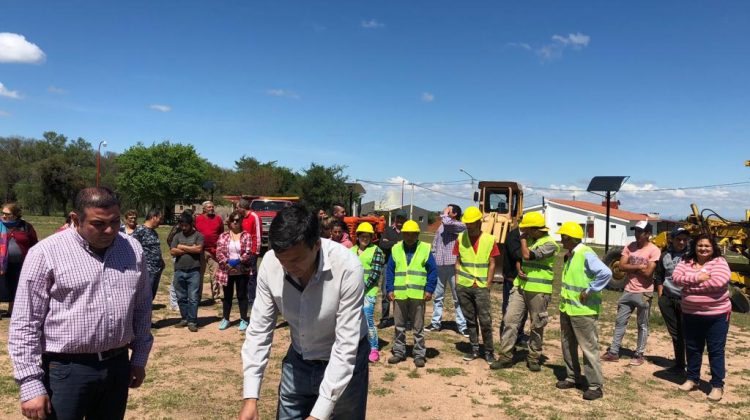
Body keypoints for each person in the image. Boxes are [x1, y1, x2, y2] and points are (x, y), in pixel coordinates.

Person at [8, 187, 153, 419]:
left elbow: (142, 307)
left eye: (115, 221)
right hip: (66, 371)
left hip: (117, 365)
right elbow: (25, 322)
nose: (109, 230)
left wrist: (138, 358)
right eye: (98, 223)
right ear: (76, 219)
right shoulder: (46, 253)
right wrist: (30, 383)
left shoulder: (132, 249)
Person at [239, 206, 368, 420]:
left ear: (316, 244)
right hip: (299, 358)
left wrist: (319, 415)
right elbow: (259, 332)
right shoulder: (271, 264)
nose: (289, 268)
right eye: (283, 261)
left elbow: (346, 345)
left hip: (346, 360)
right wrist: (250, 397)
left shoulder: (347, 268)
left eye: (297, 260)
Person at [493, 211, 559, 371]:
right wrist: (518, 267)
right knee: (510, 320)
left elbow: (527, 255)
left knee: (537, 325)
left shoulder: (550, 243)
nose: (524, 232)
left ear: (536, 229)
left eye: (527, 229)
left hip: (538, 290)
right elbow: (520, 259)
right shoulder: (529, 239)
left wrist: (522, 240)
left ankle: (534, 357)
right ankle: (505, 356)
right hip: (520, 287)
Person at [553, 222, 611, 401]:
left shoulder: (585, 253)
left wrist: (589, 291)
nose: (561, 240)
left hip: (583, 311)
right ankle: (572, 377)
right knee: (568, 345)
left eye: (563, 237)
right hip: (568, 309)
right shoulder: (572, 254)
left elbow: (606, 273)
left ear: (569, 238)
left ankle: (595, 386)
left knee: (588, 348)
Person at [673, 233, 731, 402]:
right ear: (694, 246)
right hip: (691, 314)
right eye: (700, 245)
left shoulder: (720, 262)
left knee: (716, 351)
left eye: (707, 246)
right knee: (693, 348)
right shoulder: (686, 261)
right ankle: (692, 379)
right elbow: (676, 279)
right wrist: (697, 277)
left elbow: (718, 282)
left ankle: (717, 385)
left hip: (717, 315)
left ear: (713, 248)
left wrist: (688, 287)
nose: (703, 249)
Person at [601, 221, 661, 366]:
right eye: (636, 231)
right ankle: (614, 352)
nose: (637, 234)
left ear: (648, 234)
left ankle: (639, 354)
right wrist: (638, 266)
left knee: (642, 324)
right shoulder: (630, 247)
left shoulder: (654, 250)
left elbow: (648, 273)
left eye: (640, 232)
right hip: (628, 290)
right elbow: (621, 266)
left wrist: (630, 268)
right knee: (620, 321)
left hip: (644, 293)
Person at [386, 220, 437, 368]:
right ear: (403, 234)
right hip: (399, 293)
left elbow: (432, 270)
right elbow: (390, 271)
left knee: (418, 327)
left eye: (412, 234)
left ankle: (419, 354)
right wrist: (390, 289)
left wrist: (429, 289)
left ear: (417, 234)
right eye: (406, 234)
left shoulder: (425, 249)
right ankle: (399, 352)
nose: (409, 236)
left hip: (418, 294)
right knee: (399, 326)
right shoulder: (396, 249)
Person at [454, 207, 500, 365]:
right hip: (464, 285)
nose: (468, 226)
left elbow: (493, 263)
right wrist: (457, 279)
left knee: (485, 320)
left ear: (479, 222)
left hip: (481, 286)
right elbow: (458, 260)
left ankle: (488, 352)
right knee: (470, 320)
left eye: (471, 223)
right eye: (466, 223)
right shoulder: (460, 238)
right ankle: (474, 349)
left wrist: (488, 283)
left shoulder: (489, 239)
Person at [426, 204, 469, 337]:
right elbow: (435, 243)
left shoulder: (460, 225)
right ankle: (435, 323)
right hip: (439, 265)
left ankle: (462, 326)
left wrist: (444, 214)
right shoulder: (441, 226)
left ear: (454, 213)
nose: (445, 210)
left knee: (457, 297)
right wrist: (433, 257)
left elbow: (448, 224)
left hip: (453, 265)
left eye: (449, 209)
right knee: (438, 296)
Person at [654, 227, 690, 375]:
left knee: (686, 334)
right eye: (678, 239)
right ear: (672, 240)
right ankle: (680, 364)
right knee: (675, 333)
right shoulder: (664, 256)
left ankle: (692, 366)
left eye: (684, 239)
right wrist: (661, 297)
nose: (681, 242)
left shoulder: (691, 257)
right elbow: (659, 276)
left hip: (685, 300)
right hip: (668, 299)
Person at [352, 222, 386, 363]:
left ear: (372, 237)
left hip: (368, 292)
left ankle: (373, 348)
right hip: (352, 292)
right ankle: (356, 346)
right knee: (352, 320)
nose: (365, 239)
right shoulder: (351, 250)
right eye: (362, 236)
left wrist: (362, 288)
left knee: (367, 319)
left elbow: (375, 273)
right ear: (358, 236)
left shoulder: (376, 251)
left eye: (368, 236)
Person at [215, 210, 253, 332]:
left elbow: (248, 253)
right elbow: (219, 251)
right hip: (227, 271)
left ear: (242, 221)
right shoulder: (224, 236)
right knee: (227, 296)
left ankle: (243, 319)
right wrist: (226, 264)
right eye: (233, 220)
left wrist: (237, 262)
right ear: (229, 222)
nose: (235, 222)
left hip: (242, 270)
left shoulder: (246, 235)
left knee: (242, 295)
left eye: (238, 220)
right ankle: (226, 318)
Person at [1, 202, 38, 317]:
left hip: (20, 263)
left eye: (7, 213)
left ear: (16, 214)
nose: (3, 215)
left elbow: (34, 244)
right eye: (2, 213)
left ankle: (11, 311)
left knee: (15, 286)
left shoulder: (26, 226)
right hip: (1, 264)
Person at [170, 212, 204, 332]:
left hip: (194, 271)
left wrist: (182, 247)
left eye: (185, 225)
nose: (183, 228)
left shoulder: (198, 235)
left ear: (191, 224)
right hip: (179, 270)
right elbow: (172, 251)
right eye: (181, 225)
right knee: (181, 297)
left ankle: (192, 321)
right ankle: (184, 318)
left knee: (193, 297)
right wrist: (190, 248)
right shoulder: (177, 236)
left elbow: (198, 249)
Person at [500, 223, 529, 349]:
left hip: (524, 279)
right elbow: (518, 255)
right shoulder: (513, 236)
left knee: (523, 310)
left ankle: (519, 335)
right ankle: (505, 335)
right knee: (509, 309)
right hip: (512, 278)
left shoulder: (527, 237)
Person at [378, 209, 407, 328]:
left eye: (402, 218)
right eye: (398, 218)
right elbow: (382, 244)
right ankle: (385, 319)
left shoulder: (407, 231)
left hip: (403, 266)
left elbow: (408, 244)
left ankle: (403, 319)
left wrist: (390, 242)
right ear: (395, 219)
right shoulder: (388, 230)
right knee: (385, 292)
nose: (399, 221)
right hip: (388, 265)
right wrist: (398, 243)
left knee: (403, 293)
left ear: (405, 220)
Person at [132, 208, 166, 302]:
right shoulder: (140, 231)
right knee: (145, 297)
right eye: (160, 218)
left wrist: (161, 261)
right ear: (153, 217)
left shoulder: (154, 232)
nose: (161, 221)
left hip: (156, 269)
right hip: (147, 270)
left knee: (151, 296)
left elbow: (155, 249)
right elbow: (132, 248)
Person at [195, 200, 225, 301]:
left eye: (212, 207)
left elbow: (221, 233)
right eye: (209, 207)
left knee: (215, 275)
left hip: (214, 251)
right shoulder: (198, 219)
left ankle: (216, 296)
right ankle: (197, 297)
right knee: (199, 275)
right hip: (201, 250)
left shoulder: (218, 219)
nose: (211, 209)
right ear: (204, 209)